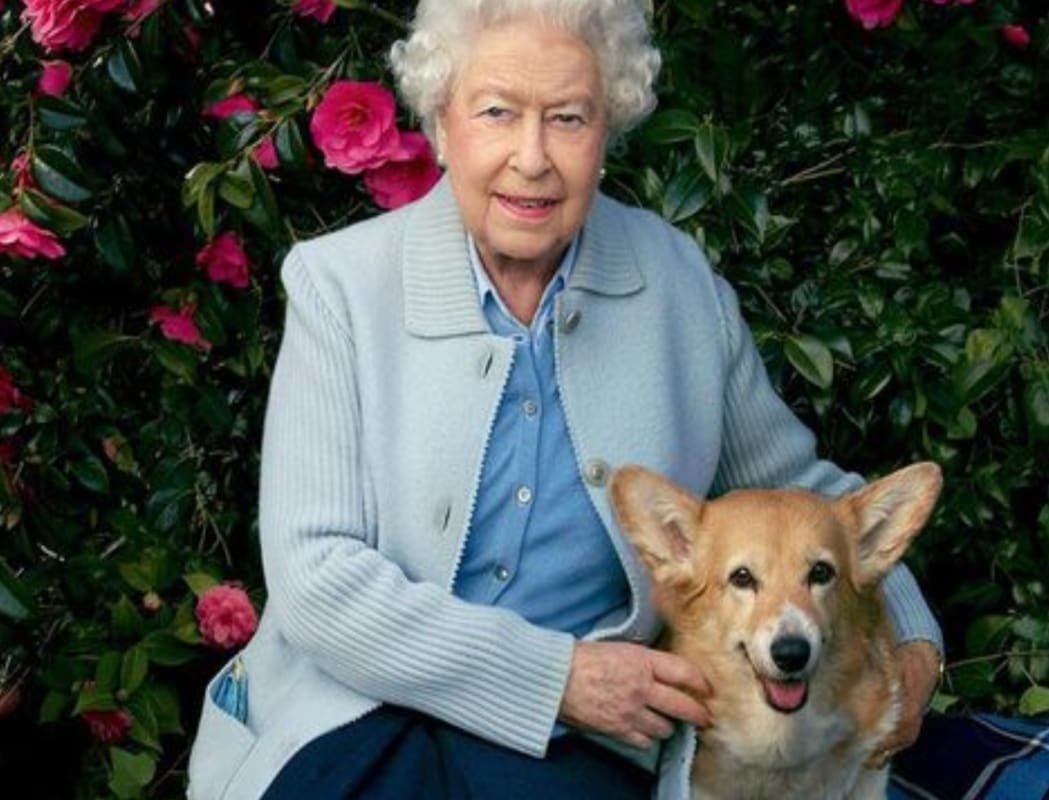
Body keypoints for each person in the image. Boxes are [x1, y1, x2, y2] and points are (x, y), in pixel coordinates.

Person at [187, 1, 944, 797]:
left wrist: (915, 641)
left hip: (578, 741)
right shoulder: (339, 286)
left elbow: (808, 496)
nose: (533, 157)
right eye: (496, 113)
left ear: (607, 132)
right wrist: (558, 677)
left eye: (569, 118)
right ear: (442, 124)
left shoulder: (676, 283)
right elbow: (316, 581)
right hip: (356, 710)